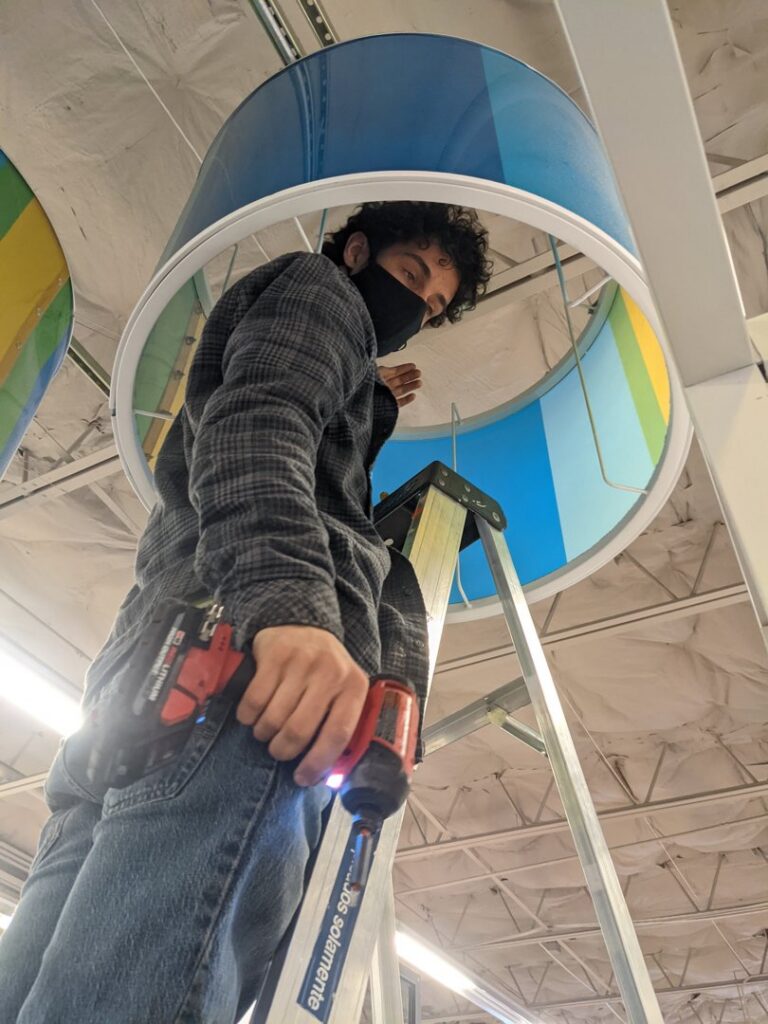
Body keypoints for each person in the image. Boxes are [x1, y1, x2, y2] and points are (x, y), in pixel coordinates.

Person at [0, 201, 491, 1023]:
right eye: (410, 277)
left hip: (156, 662)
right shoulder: (322, 289)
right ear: (357, 249)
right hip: (245, 669)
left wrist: (365, 395)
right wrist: (295, 607)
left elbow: (273, 423)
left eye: (433, 308)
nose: (416, 310)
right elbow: (262, 418)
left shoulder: (313, 328)